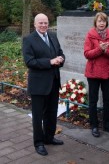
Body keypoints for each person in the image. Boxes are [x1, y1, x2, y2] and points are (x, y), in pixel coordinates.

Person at [22, 13, 65, 156]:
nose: (43, 25)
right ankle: (39, 143)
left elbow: (60, 52)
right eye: (40, 23)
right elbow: (29, 62)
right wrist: (50, 62)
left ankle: (49, 137)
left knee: (52, 112)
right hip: (39, 84)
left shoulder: (52, 36)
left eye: (45, 23)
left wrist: (61, 58)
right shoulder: (28, 39)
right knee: (38, 115)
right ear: (35, 24)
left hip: (53, 81)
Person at [84, 12, 109, 137]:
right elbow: (87, 54)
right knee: (93, 101)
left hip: (107, 72)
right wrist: (100, 49)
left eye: (103, 21)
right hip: (93, 72)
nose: (101, 23)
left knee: (107, 100)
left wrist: (106, 50)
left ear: (106, 23)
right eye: (99, 21)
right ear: (96, 22)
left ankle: (107, 124)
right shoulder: (90, 35)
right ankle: (94, 125)